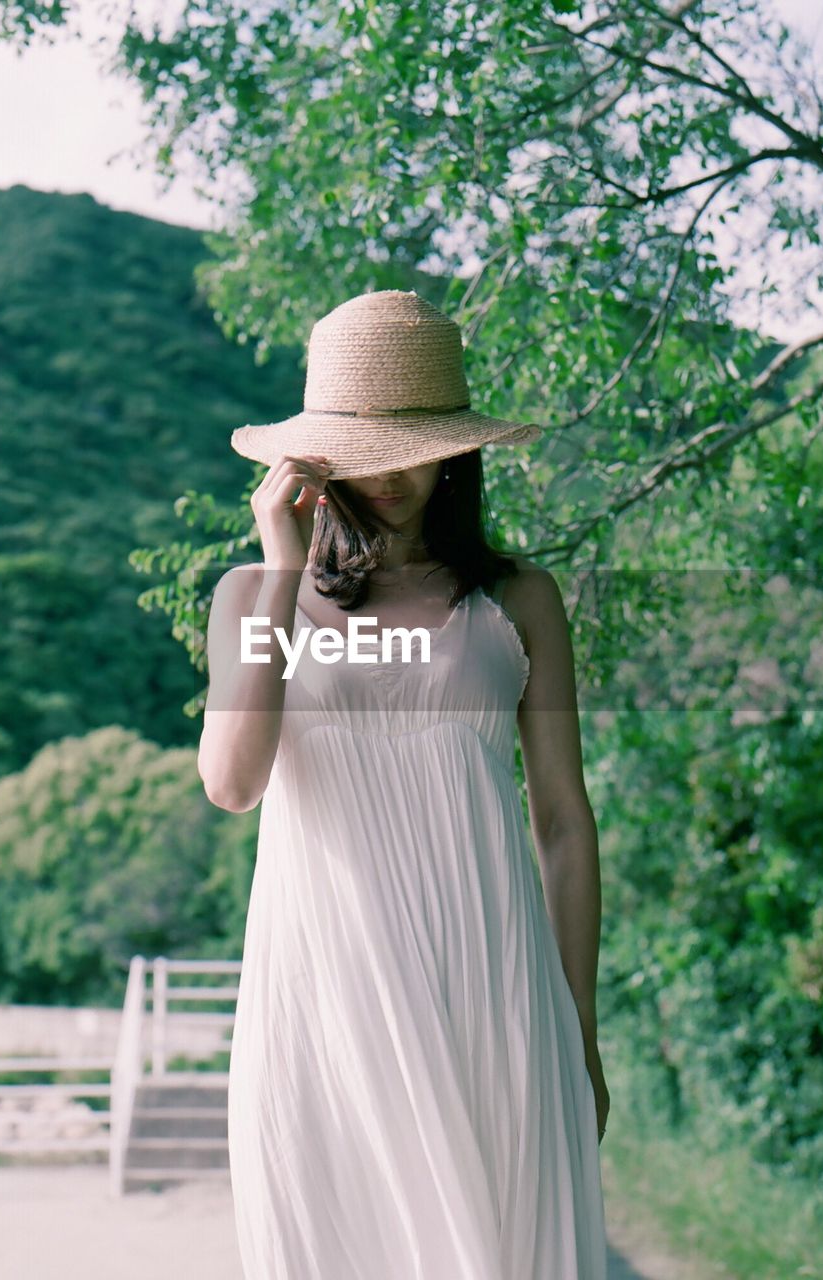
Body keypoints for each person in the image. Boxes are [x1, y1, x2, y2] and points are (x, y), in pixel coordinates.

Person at [197, 289, 609, 1279]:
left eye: (414, 443)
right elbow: (233, 779)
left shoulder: (518, 599)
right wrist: (281, 569)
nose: (390, 473)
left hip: (493, 987)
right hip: (323, 994)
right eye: (364, 447)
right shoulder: (252, 598)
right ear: (318, 453)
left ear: (456, 446)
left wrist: (579, 1031)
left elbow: (560, 821)